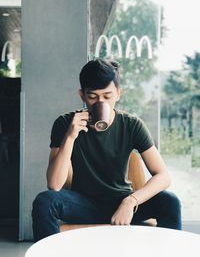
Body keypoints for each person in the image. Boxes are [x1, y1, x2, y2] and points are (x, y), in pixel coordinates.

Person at [32, 59, 182, 242]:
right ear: (82, 95)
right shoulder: (65, 123)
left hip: (122, 203)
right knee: (45, 201)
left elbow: (163, 176)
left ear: (118, 94)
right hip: (84, 205)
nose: (100, 102)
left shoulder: (132, 125)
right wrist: (70, 137)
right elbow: (54, 184)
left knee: (169, 201)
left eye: (107, 96)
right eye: (92, 97)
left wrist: (131, 201)